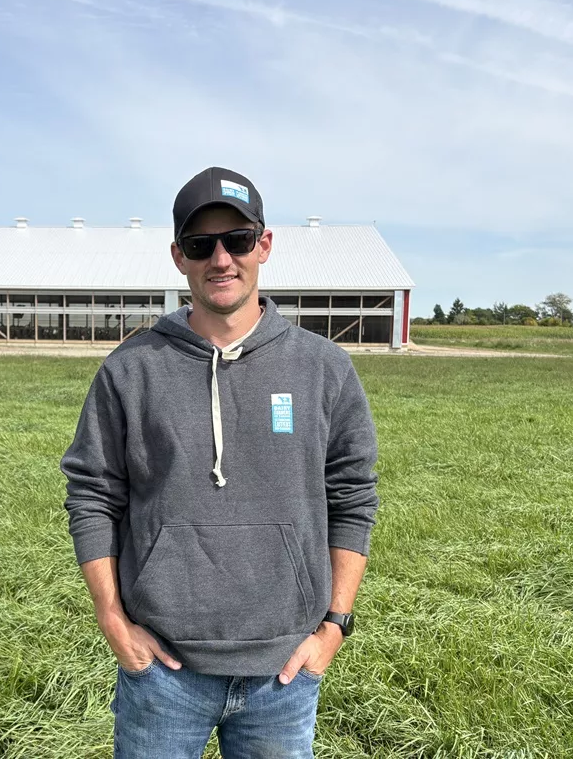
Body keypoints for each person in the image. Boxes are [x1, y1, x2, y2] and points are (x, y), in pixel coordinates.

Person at [61, 167, 380, 758]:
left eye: (237, 240)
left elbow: (354, 497)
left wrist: (335, 624)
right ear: (180, 256)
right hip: (161, 671)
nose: (222, 259)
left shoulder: (323, 368)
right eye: (202, 245)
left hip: (284, 675)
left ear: (263, 245)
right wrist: (111, 617)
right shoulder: (130, 371)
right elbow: (92, 494)